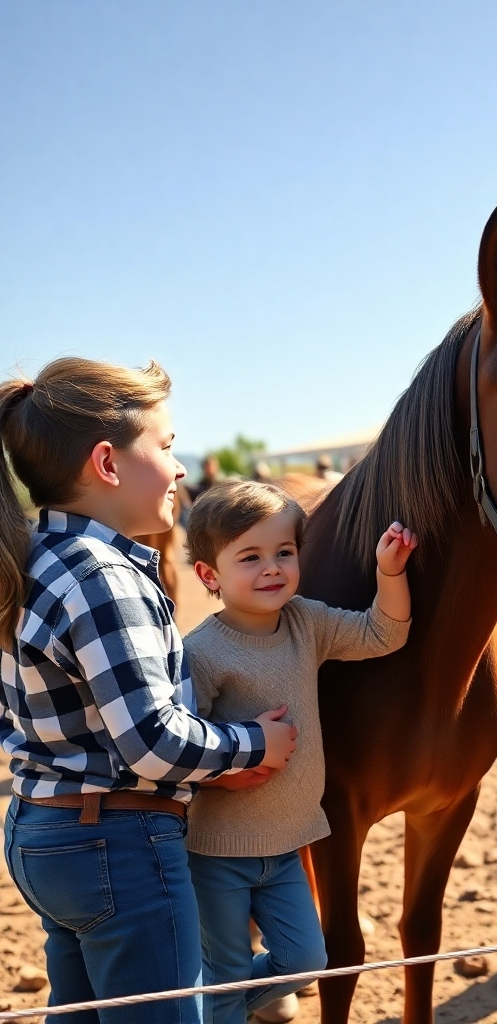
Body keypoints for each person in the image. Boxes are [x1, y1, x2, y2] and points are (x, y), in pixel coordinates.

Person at [0, 358, 298, 1024]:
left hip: (41, 831)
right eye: (165, 447)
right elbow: (152, 741)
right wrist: (255, 745)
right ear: (107, 464)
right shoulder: (104, 575)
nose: (182, 466)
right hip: (118, 845)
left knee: (78, 1013)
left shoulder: (31, 560)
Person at [184, 480, 415, 1024]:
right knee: (227, 972)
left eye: (283, 552)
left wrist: (390, 572)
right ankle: (217, 1006)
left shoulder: (305, 623)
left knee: (306, 961)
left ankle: (209, 1007)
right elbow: (180, 747)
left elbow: (384, 634)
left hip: (289, 845)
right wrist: (233, 762)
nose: (272, 567)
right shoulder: (200, 652)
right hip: (218, 852)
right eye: (251, 557)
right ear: (208, 575)